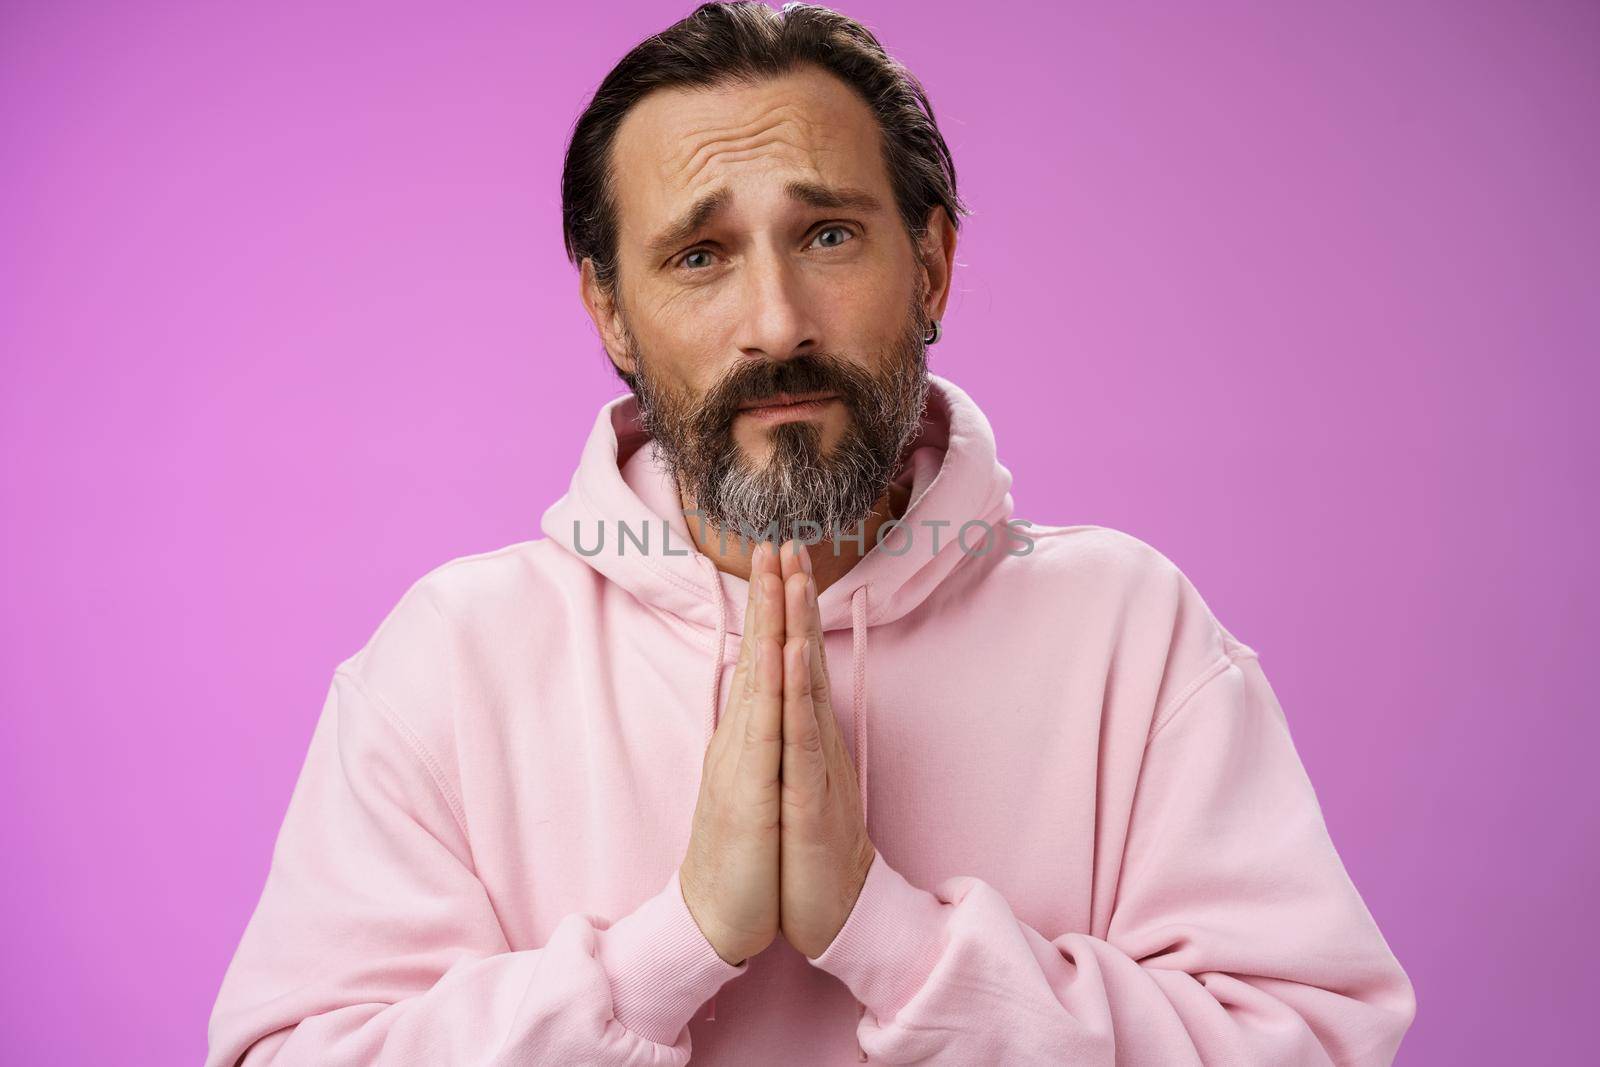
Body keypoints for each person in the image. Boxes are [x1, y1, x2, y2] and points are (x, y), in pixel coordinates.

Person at [205, 3, 1416, 1064]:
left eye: (828, 234)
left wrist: (887, 934)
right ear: (609, 310)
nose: (775, 322)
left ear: (932, 263)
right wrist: (676, 944)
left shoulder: (1131, 631)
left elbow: (1315, 1040)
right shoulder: (450, 657)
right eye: (698, 255)